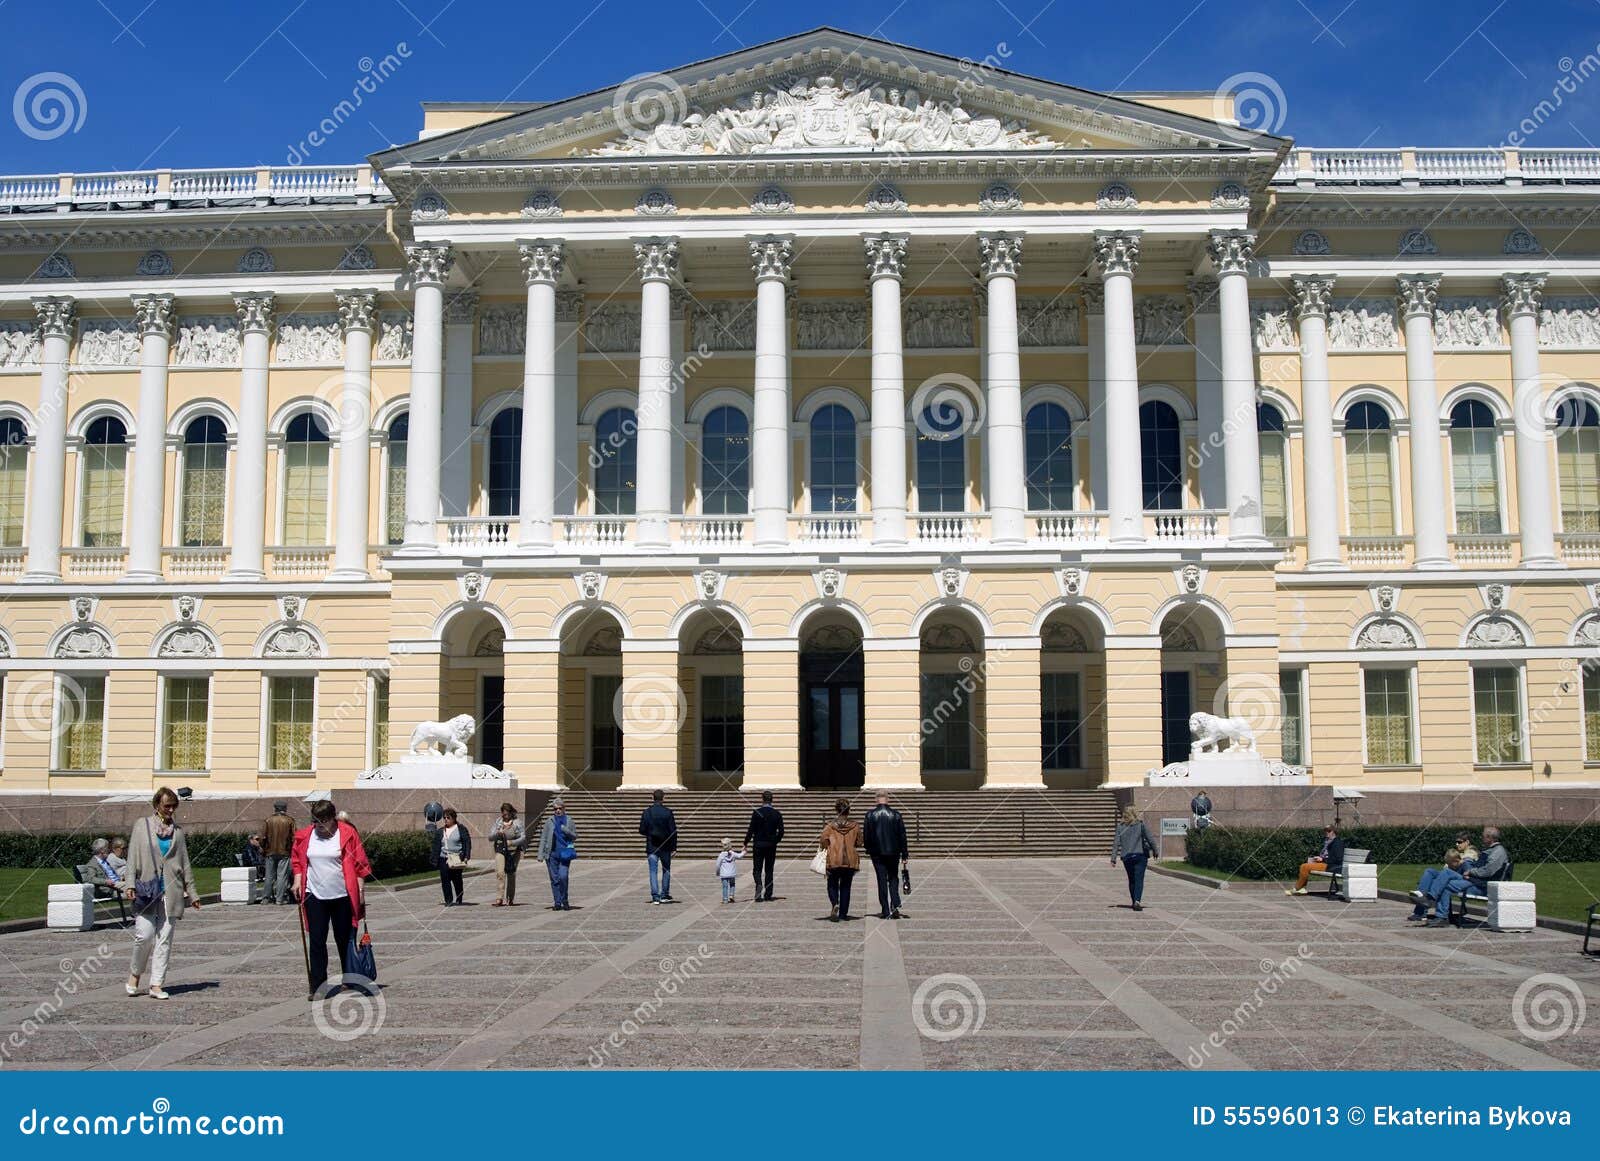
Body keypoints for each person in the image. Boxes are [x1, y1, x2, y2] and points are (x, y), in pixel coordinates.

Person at [291, 798, 373, 999]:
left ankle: (349, 977)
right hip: (314, 895)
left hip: (342, 894)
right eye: (315, 821)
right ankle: (318, 985)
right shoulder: (305, 836)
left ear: (332, 818)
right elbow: (298, 862)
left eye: (323, 821)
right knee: (317, 940)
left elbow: (359, 864)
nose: (319, 826)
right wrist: (297, 880)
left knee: (344, 938)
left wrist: (360, 891)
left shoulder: (347, 834)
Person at [123, 787, 200, 1000]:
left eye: (174, 806)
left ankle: (156, 984)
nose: (171, 810)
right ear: (157, 804)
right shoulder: (142, 825)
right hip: (147, 889)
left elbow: (185, 864)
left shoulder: (178, 831)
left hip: (171, 892)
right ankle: (135, 973)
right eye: (167, 806)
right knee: (144, 936)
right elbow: (132, 856)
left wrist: (192, 893)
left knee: (164, 938)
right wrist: (129, 884)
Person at [1424, 826, 1511, 927]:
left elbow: (1488, 871)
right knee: (1447, 873)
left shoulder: (1498, 852)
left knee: (1447, 884)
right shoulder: (1492, 850)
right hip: (1475, 881)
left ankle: (1438, 912)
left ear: (1489, 838)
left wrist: (1470, 872)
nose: (1481, 838)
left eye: (1483, 836)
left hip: (1482, 886)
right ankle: (1436, 908)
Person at [863, 791, 909, 919]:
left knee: (881, 879)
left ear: (876, 800)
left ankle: (885, 909)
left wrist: (868, 848)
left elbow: (866, 834)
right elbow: (902, 835)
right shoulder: (896, 814)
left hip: (877, 853)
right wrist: (904, 854)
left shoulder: (870, 815)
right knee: (893, 878)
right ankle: (895, 904)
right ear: (888, 800)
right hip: (893, 852)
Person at [817, 798, 862, 922]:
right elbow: (859, 842)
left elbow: (823, 841)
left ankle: (834, 903)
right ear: (849, 810)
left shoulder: (830, 826)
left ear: (836, 810)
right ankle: (843, 914)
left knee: (832, 884)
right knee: (846, 887)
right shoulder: (855, 826)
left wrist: (830, 846)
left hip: (833, 860)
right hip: (850, 861)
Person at [1110, 805, 1156, 911]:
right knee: (1139, 879)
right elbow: (1150, 839)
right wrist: (1155, 851)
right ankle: (1137, 901)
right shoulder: (1140, 825)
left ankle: (1133, 901)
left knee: (1132, 880)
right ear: (1135, 813)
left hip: (1126, 857)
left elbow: (1116, 843)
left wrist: (1113, 858)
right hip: (1140, 855)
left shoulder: (1120, 827)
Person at [743, 789, 785, 902]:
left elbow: (751, 830)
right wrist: (775, 841)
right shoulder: (777, 814)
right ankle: (768, 894)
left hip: (758, 844)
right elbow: (781, 831)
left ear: (762, 799)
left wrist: (745, 842)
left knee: (757, 869)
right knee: (769, 870)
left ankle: (758, 884)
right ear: (772, 800)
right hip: (771, 845)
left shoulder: (757, 812)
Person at [638, 789, 678, 904]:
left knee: (652, 871)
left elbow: (641, 830)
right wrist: (674, 847)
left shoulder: (647, 812)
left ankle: (655, 897)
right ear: (663, 798)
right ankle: (664, 895)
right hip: (666, 846)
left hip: (652, 846)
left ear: (653, 798)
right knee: (666, 870)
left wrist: (650, 834)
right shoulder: (668, 812)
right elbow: (673, 831)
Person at [537, 798, 577, 911]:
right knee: (554, 879)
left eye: (560, 808)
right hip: (551, 854)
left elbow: (575, 836)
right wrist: (540, 854)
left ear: (564, 808)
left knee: (563, 877)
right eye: (555, 809)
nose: (558, 811)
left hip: (565, 853)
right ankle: (557, 902)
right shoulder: (549, 821)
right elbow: (543, 838)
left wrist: (566, 830)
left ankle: (565, 900)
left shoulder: (569, 820)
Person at [1285, 825, 1344, 896]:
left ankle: (1297, 889)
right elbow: (1326, 854)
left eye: (1329, 831)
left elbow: (1338, 858)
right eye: (1325, 831)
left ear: (1334, 832)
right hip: (1324, 862)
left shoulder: (1337, 843)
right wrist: (1319, 858)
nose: (1326, 833)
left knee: (1304, 867)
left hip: (1330, 865)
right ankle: (1302, 888)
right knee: (1306, 864)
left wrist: (1323, 859)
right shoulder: (1328, 842)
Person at [488, 802, 527, 907]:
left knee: (511, 874)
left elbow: (523, 837)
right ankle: (499, 898)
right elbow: (490, 837)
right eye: (503, 814)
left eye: (506, 814)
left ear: (511, 813)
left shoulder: (517, 822)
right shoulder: (498, 822)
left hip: (514, 851)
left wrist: (512, 842)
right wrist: (497, 833)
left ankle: (510, 898)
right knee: (500, 873)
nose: (504, 816)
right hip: (501, 849)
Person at [430, 807, 471, 905]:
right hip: (444, 858)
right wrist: (434, 859)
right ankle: (448, 900)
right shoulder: (440, 831)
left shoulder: (461, 829)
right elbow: (436, 846)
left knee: (457, 879)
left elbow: (467, 843)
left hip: (457, 857)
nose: (445, 820)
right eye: (444, 818)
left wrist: (466, 856)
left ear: (453, 818)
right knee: (445, 879)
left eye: (448, 817)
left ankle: (459, 896)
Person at [261, 801, 295, 905]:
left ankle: (266, 898)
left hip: (270, 852)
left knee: (269, 876)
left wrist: (264, 848)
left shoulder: (268, 820)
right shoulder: (289, 820)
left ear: (275, 808)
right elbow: (293, 837)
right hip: (284, 852)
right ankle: (279, 899)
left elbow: (263, 837)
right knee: (282, 876)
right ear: (285, 809)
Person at [716, 839, 744, 904]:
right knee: (732, 884)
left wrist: (717, 872)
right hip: (732, 873)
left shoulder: (721, 855)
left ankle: (725, 899)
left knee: (725, 887)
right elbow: (739, 856)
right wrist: (744, 851)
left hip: (724, 874)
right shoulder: (733, 853)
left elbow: (718, 865)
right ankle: (731, 895)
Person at [241, 833, 266, 902]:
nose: (258, 841)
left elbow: (262, 860)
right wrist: (264, 864)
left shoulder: (256, 849)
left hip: (258, 871)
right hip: (253, 873)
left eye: (259, 839)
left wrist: (261, 853)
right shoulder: (248, 849)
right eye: (257, 839)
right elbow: (252, 862)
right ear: (251, 840)